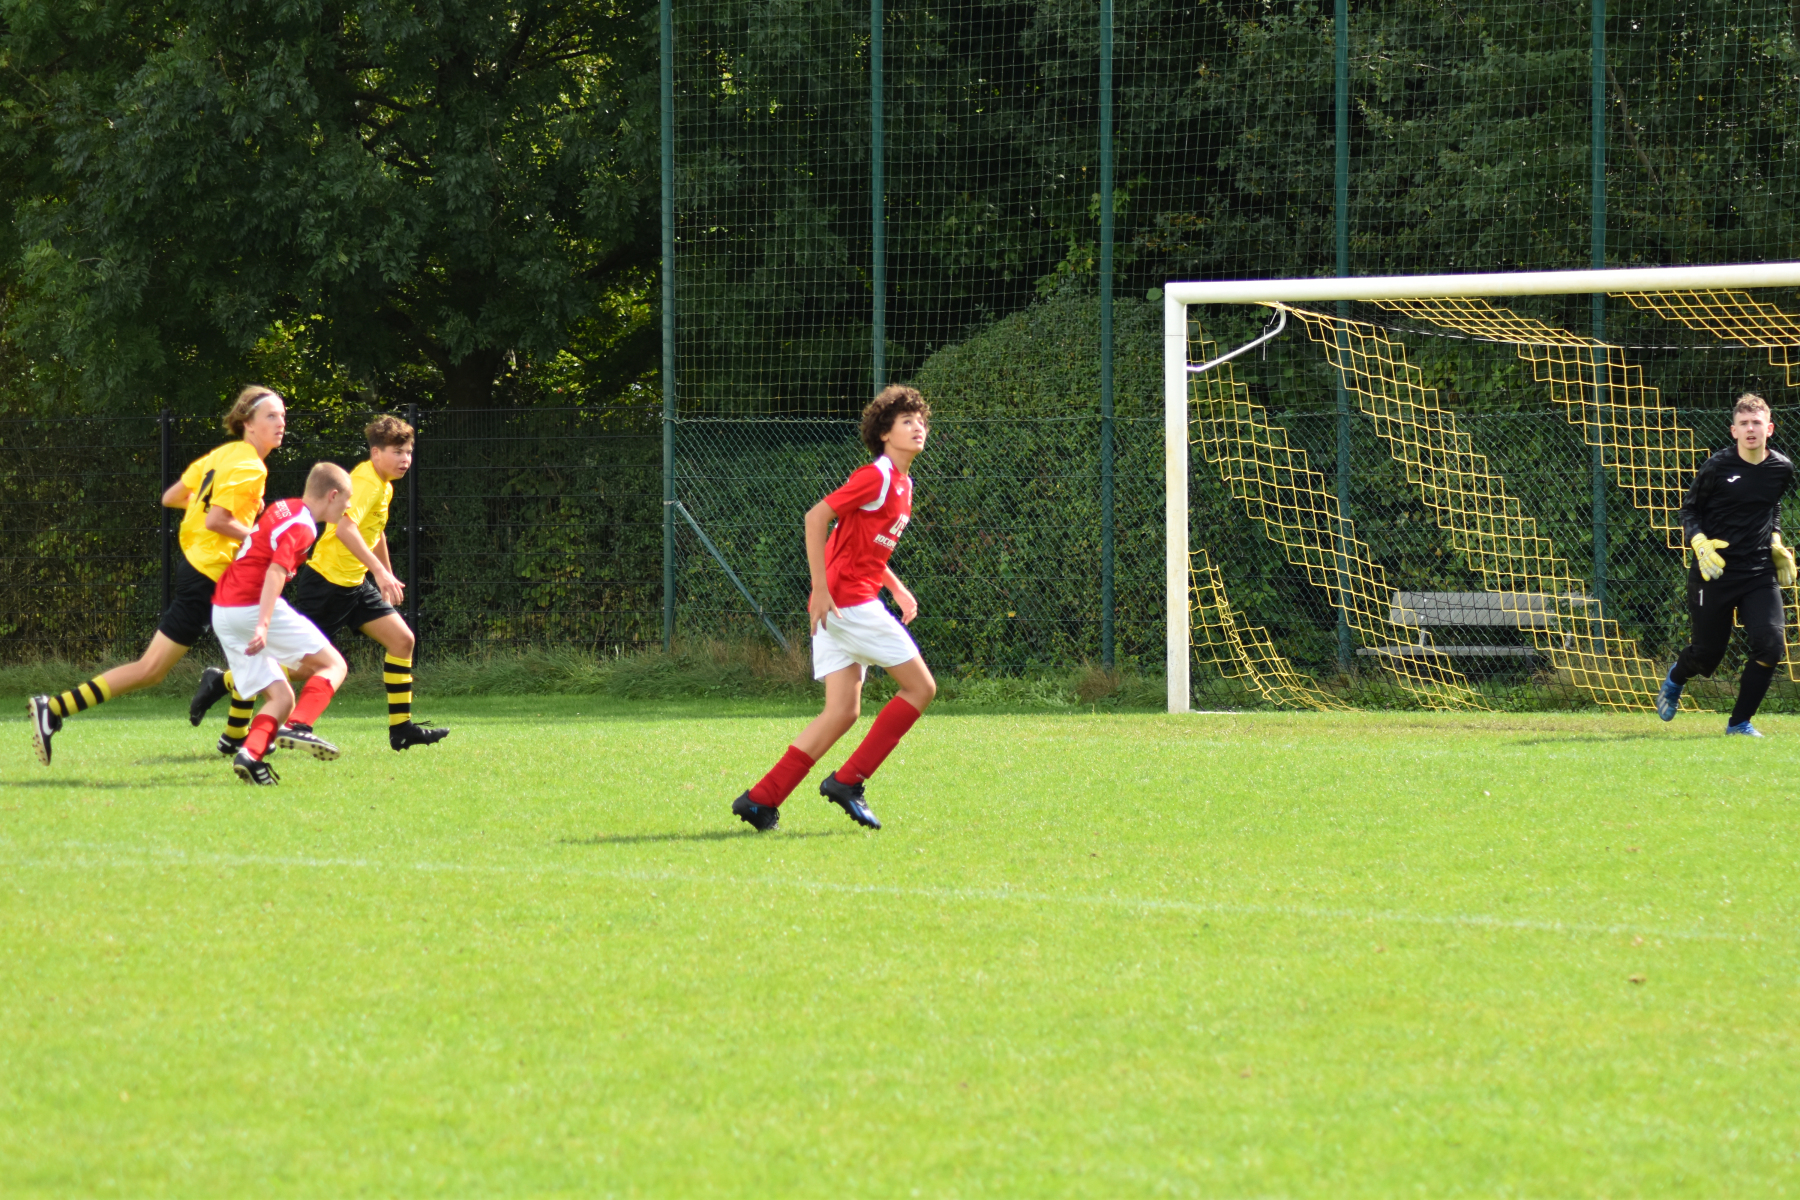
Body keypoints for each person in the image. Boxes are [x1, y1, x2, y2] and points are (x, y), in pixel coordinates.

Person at [28, 386, 285, 766]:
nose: (281, 423)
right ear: (248, 424)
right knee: (155, 669)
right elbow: (217, 520)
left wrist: (224, 513)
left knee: (249, 648)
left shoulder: (224, 454)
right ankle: (53, 709)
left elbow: (173, 497)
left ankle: (236, 736)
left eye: (283, 415)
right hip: (210, 574)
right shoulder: (251, 466)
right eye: (271, 416)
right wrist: (263, 539)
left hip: (202, 569)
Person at [732, 386, 936, 832]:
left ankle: (760, 799)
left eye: (921, 420)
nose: (918, 427)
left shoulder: (904, 485)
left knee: (842, 711)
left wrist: (898, 588)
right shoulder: (876, 477)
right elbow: (815, 517)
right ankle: (848, 781)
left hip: (844, 604)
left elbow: (866, 548)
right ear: (884, 434)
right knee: (921, 689)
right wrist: (820, 589)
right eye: (906, 421)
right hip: (848, 604)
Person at [192, 414, 447, 752]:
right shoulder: (366, 481)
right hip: (327, 584)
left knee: (402, 641)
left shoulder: (383, 485)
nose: (405, 459)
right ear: (375, 453)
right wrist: (380, 572)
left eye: (409, 452)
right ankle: (226, 688)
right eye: (397, 452)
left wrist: (385, 573)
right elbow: (345, 529)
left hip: (354, 585)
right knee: (298, 668)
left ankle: (401, 729)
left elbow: (375, 530)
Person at [1657, 392, 1797, 735]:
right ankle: (1676, 678)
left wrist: (1775, 540)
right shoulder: (1717, 466)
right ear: (1733, 431)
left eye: (1756, 423)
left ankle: (1739, 723)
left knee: (1771, 646)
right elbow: (1689, 510)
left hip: (1759, 572)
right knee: (1706, 655)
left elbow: (1772, 505)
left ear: (1769, 429)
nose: (1750, 429)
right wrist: (1698, 541)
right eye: (1743, 423)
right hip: (1713, 572)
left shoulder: (1782, 468)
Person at [211, 463, 354, 784]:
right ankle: (298, 725)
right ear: (332, 495)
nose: (348, 508)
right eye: (347, 500)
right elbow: (276, 570)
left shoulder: (284, 507)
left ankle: (250, 755)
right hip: (251, 605)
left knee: (282, 698)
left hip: (223, 610)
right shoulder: (304, 527)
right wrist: (263, 624)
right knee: (333, 665)